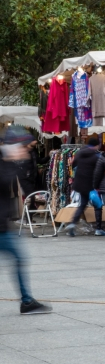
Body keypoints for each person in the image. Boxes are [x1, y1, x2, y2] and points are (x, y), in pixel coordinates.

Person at [0, 129, 52, 314]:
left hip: (4, 225)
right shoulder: (5, 162)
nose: (26, 152)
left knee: (20, 259)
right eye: (23, 148)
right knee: (19, 259)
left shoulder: (9, 163)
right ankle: (27, 301)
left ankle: (27, 301)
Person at [65, 136, 105, 237]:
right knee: (98, 205)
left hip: (79, 183)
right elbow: (99, 170)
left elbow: (73, 164)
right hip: (91, 184)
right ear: (96, 145)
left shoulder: (79, 153)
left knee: (82, 204)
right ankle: (98, 229)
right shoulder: (96, 156)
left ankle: (73, 223)